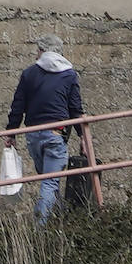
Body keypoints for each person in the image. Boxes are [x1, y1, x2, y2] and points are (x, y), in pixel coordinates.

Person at [6, 34, 84, 225]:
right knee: (50, 183)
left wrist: (11, 133)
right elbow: (75, 109)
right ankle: (40, 231)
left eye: (38, 51)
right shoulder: (69, 74)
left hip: (33, 136)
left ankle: (60, 223)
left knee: (49, 182)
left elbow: (18, 106)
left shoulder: (29, 73)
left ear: (42, 51)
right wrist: (83, 135)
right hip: (55, 135)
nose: (36, 55)